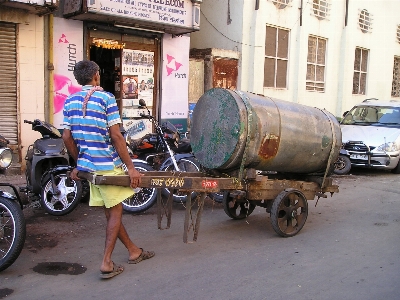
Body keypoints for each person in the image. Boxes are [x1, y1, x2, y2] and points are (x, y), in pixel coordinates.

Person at [62, 60, 155, 280]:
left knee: (111, 211)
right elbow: (116, 136)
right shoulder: (106, 98)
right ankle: (106, 262)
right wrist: (131, 168)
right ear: (96, 75)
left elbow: (67, 137)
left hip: (90, 167)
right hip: (108, 166)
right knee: (115, 212)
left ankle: (134, 251)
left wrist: (79, 163)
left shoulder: (70, 101)